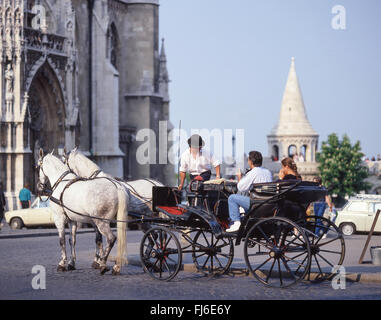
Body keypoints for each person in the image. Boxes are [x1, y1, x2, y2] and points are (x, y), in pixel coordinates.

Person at [226, 151, 272, 232]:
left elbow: (241, 187)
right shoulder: (267, 172)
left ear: (250, 161)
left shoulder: (253, 172)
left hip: (257, 204)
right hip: (268, 204)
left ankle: (236, 222)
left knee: (232, 198)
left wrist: (239, 177)